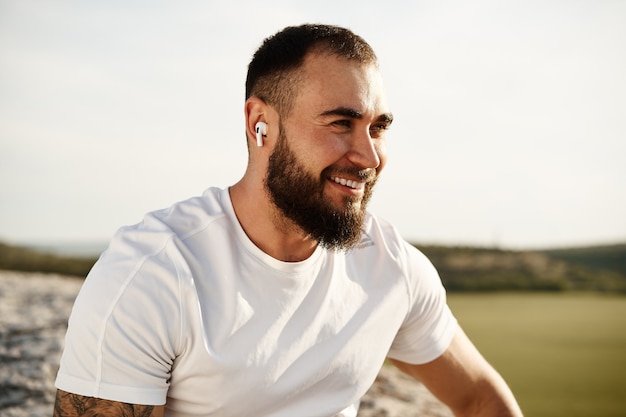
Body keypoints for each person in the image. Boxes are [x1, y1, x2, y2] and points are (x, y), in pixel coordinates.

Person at [53, 24, 523, 417]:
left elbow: (480, 397)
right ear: (260, 123)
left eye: (377, 127)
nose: (370, 156)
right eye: (341, 123)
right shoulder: (154, 274)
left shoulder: (389, 266)